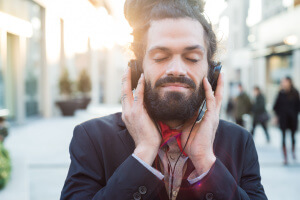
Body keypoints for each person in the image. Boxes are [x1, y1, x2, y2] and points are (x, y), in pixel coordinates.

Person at [60, 1, 267, 199]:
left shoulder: (240, 142)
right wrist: (143, 154)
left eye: (192, 58)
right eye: (160, 57)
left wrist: (205, 161)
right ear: (137, 70)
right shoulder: (92, 138)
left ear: (212, 74)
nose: (176, 69)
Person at [273, 77, 300, 165]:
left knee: (293, 137)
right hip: (283, 119)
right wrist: (277, 116)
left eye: (285, 82)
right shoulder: (281, 93)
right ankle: (285, 157)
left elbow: (298, 106)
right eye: (283, 82)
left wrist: (294, 113)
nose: (284, 83)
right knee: (283, 137)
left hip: (293, 119)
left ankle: (293, 152)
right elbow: (276, 106)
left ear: (290, 82)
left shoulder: (295, 92)